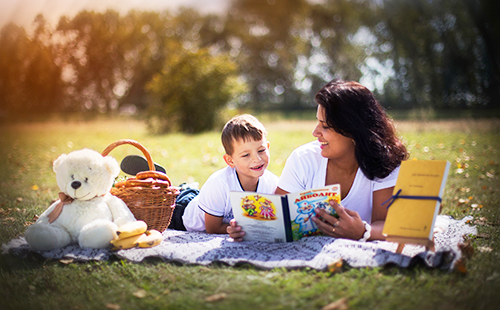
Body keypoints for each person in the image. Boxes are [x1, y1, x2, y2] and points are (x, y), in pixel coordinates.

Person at [228, 80, 408, 242]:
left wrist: (363, 231)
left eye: (326, 126)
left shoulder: (384, 161)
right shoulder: (303, 158)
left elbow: (386, 224)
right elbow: (277, 217)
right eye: (317, 122)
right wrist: (249, 228)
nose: (315, 132)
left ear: (354, 131)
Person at [176, 114, 279, 234]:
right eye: (246, 155)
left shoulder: (272, 183)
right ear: (230, 160)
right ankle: (184, 189)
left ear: (267, 147)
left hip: (206, 200)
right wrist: (240, 230)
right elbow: (212, 228)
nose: (257, 159)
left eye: (261, 150)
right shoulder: (219, 184)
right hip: (182, 211)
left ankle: (189, 188)